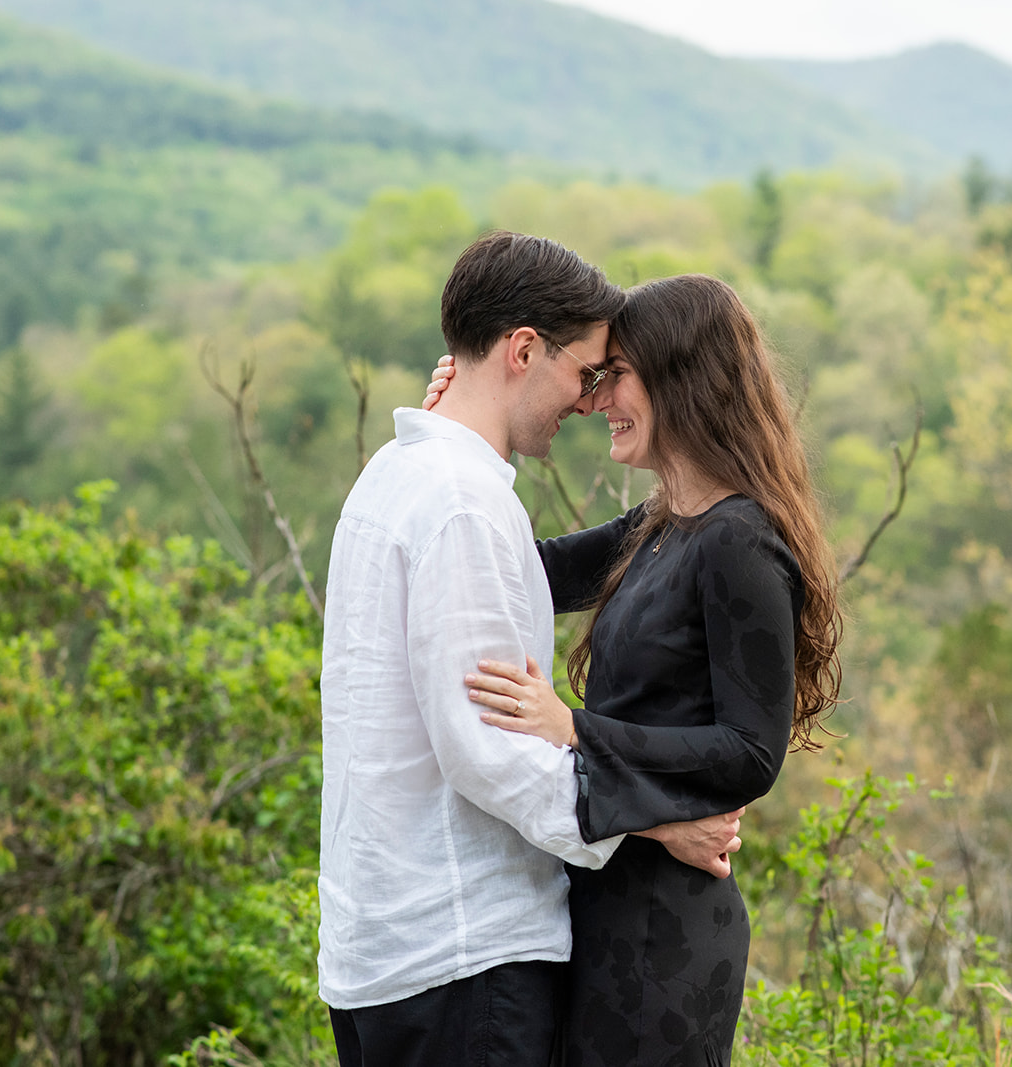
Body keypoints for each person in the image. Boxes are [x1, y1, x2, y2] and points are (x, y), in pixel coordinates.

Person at [319, 233, 741, 1067]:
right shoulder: (462, 504)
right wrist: (661, 822)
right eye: (585, 372)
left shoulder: (391, 476)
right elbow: (490, 754)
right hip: (464, 954)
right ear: (521, 349)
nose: (588, 401)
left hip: (382, 950)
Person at [426, 273, 842, 1065]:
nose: (596, 397)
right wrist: (456, 427)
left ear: (681, 375)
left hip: (665, 939)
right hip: (601, 905)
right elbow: (520, 569)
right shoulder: (660, 522)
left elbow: (751, 754)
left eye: (616, 373)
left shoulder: (739, 540)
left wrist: (572, 727)